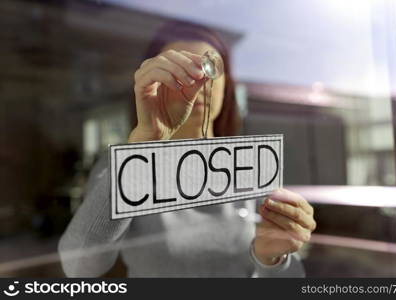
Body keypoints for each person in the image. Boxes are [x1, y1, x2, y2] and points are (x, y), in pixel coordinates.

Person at [58, 20, 316, 277]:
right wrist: (144, 147)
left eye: (210, 66)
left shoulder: (250, 163)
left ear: (227, 85)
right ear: (153, 79)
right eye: (178, 68)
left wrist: (272, 258)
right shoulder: (125, 163)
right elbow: (79, 267)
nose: (198, 81)